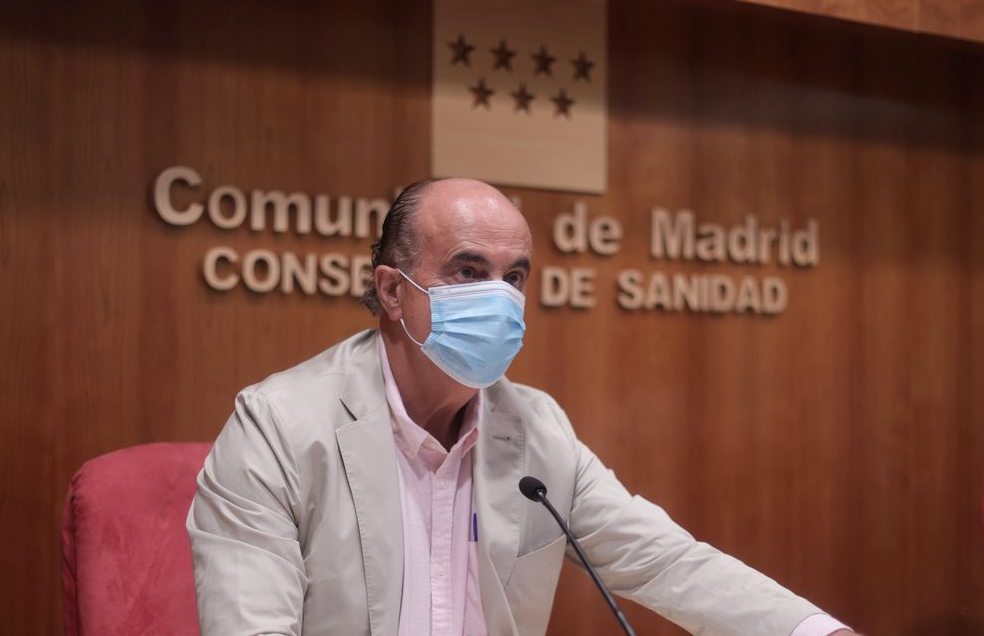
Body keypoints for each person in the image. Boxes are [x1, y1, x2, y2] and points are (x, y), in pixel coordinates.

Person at [187, 178, 859, 636]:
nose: (500, 298)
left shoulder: (538, 430)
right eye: (468, 271)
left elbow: (665, 561)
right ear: (393, 291)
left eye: (514, 277)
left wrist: (817, 632)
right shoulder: (277, 426)